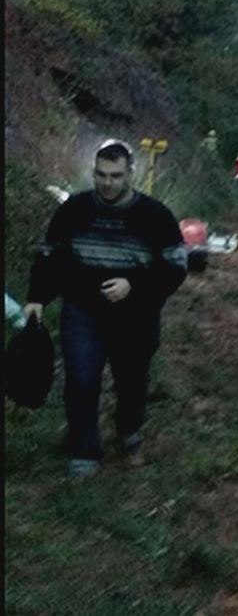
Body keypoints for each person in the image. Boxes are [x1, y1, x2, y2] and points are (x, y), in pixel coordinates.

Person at [22, 139, 188, 478]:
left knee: (131, 381)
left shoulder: (155, 216)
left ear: (131, 174)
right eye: (100, 175)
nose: (107, 183)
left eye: (114, 175)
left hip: (135, 316)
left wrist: (135, 286)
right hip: (83, 310)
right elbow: (49, 254)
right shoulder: (75, 210)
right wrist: (37, 296)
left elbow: (175, 266)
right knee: (81, 379)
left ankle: (129, 432)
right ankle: (84, 449)